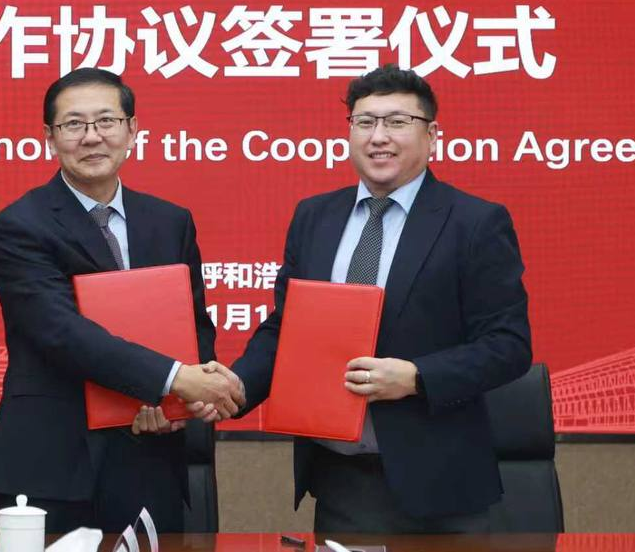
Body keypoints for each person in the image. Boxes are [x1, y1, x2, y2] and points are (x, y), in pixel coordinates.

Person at [219, 64, 532, 533]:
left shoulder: (475, 223)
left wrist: (417, 377)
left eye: (397, 122)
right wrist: (237, 387)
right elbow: (286, 328)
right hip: (340, 479)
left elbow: (509, 346)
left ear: (431, 136)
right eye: (365, 122)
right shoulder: (315, 217)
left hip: (439, 485)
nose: (378, 136)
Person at [0, 68, 240, 533]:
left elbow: (194, 325)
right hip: (54, 462)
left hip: (149, 458)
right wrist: (175, 379)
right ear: (49, 137)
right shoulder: (20, 225)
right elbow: (61, 333)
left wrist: (178, 406)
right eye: (73, 124)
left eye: (106, 121)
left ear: (132, 130)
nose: (92, 137)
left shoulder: (170, 221)